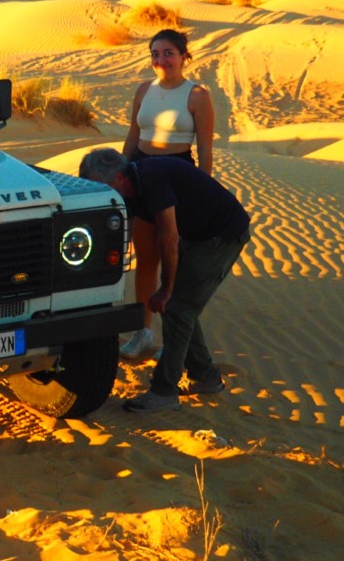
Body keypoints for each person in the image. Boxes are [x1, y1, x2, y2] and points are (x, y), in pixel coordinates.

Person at [79, 148, 249, 412]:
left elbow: (169, 237)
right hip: (197, 234)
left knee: (179, 308)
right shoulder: (130, 189)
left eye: (103, 187)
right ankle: (205, 377)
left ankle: (164, 391)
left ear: (120, 178)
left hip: (220, 236)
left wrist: (166, 288)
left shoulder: (152, 180)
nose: (102, 194)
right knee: (183, 309)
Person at [119, 29, 214, 360]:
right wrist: (120, 172)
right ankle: (143, 333)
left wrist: (203, 195)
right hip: (142, 175)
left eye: (169, 53)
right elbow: (133, 135)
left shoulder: (197, 95)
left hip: (179, 178)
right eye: (155, 53)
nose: (161, 60)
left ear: (184, 56)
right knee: (146, 259)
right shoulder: (144, 90)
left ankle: (176, 340)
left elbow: (205, 150)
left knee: (176, 264)